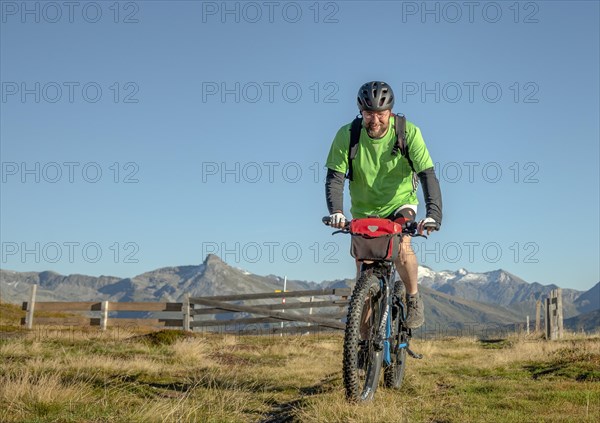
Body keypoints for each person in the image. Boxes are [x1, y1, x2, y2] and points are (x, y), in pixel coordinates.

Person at [324, 81, 443, 329]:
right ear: (361, 112)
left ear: (390, 111)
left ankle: (412, 298)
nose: (375, 120)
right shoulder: (347, 135)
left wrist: (433, 215)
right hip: (364, 209)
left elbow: (427, 174)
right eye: (369, 114)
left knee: (402, 247)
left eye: (381, 114)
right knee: (363, 281)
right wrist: (336, 211)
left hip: (400, 203)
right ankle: (363, 352)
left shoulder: (408, 133)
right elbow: (334, 177)